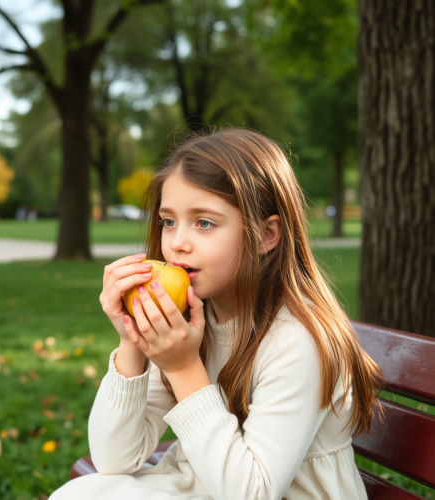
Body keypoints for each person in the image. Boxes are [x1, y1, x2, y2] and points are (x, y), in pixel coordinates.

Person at [50, 128, 385, 500]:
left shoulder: (297, 339)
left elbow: (252, 492)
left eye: (204, 222)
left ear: (266, 235)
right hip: (203, 485)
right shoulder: (193, 320)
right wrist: (131, 339)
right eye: (169, 221)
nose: (177, 242)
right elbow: (114, 459)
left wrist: (182, 367)